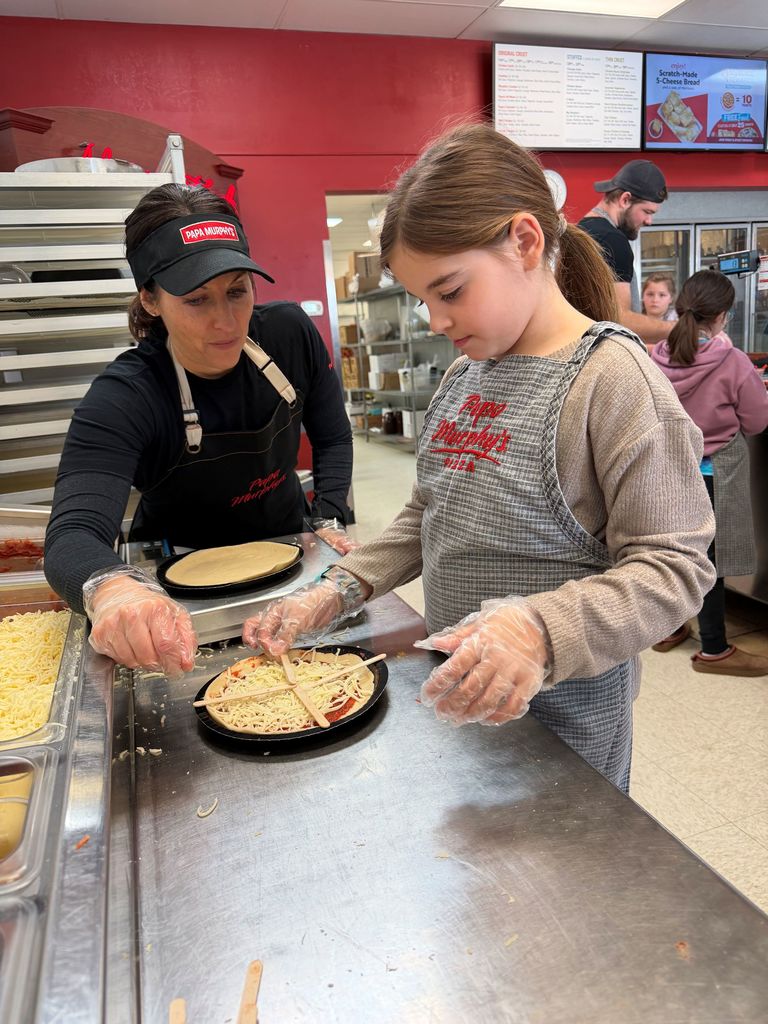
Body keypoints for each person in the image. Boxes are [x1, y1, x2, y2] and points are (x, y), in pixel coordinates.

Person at [242, 122, 716, 793]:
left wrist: (539, 630)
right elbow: (428, 516)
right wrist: (337, 590)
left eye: (451, 291)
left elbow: (675, 568)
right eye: (423, 299)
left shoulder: (611, 380)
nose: (436, 321)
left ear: (524, 241)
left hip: (565, 728)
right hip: (461, 703)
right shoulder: (464, 379)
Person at [45, 183, 355, 675]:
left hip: (289, 554)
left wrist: (330, 517)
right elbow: (72, 536)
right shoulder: (127, 395)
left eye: (237, 291)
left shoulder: (289, 334)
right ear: (150, 299)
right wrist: (113, 588)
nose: (226, 322)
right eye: (196, 300)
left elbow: (333, 436)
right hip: (177, 587)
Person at [651, 270, 768, 674]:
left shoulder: (655, 356)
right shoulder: (732, 361)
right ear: (721, 316)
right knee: (709, 560)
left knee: (673, 550)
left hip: (670, 470)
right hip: (714, 473)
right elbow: (757, 422)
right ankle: (715, 649)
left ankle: (668, 629)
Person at [578, 160, 673, 345]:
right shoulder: (613, 240)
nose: (649, 221)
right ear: (625, 200)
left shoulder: (582, 229)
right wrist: (680, 328)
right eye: (646, 211)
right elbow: (620, 320)